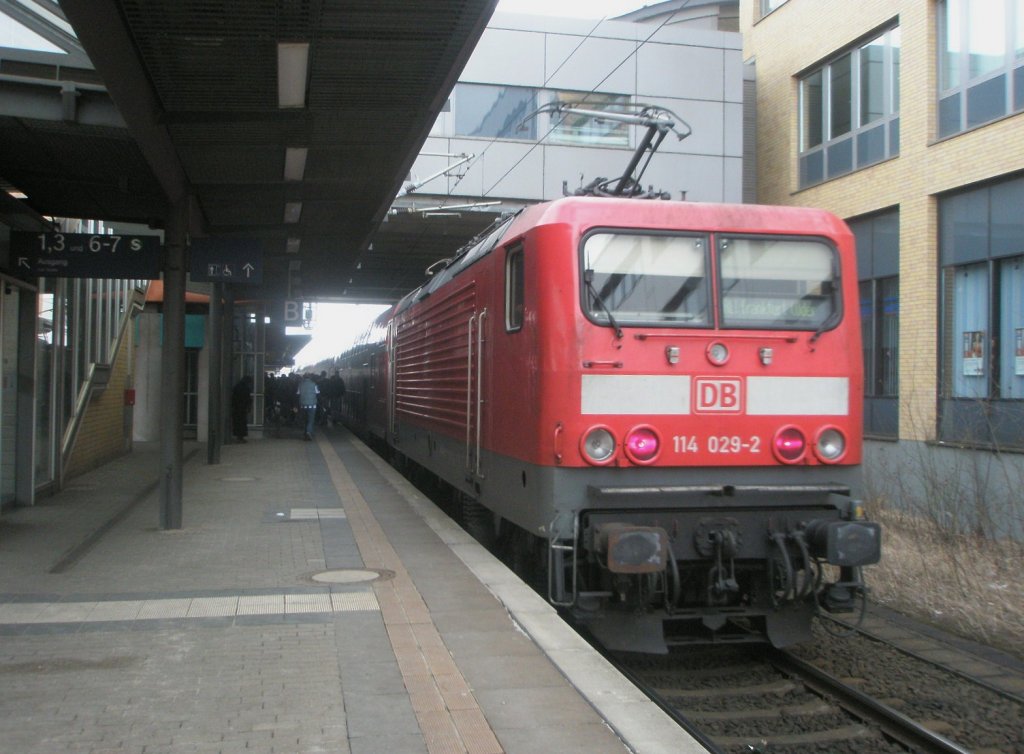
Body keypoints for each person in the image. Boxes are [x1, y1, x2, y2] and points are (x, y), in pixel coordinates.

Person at [297, 373, 320, 441]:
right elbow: (318, 393)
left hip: (302, 405)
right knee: (311, 419)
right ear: (310, 377)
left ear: (304, 377)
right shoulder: (314, 384)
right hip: (312, 405)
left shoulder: (300, 384)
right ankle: (308, 432)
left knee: (305, 419)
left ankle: (306, 432)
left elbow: (297, 394)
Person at [231, 376, 253, 443]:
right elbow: (248, 398)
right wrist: (249, 406)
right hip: (242, 408)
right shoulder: (245, 388)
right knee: (242, 422)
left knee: (238, 422)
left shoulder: (237, 387)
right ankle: (240, 437)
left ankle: (238, 436)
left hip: (237, 407)